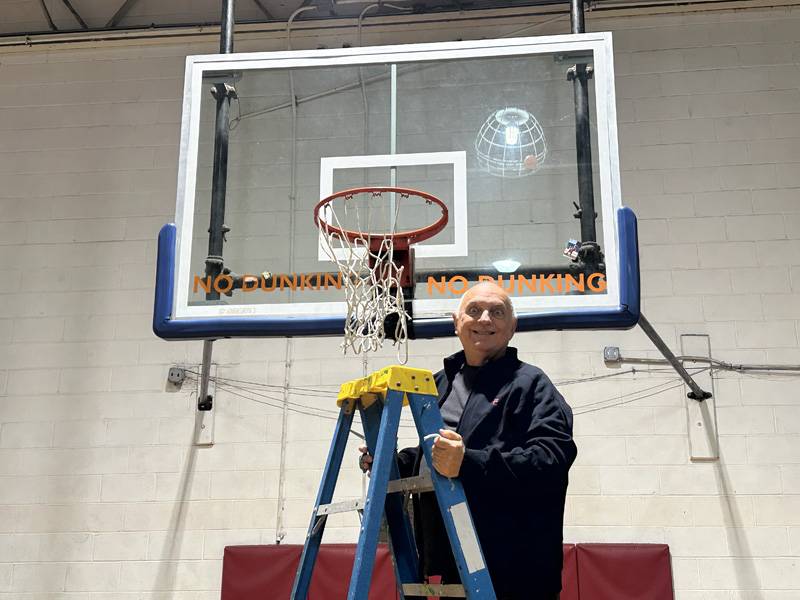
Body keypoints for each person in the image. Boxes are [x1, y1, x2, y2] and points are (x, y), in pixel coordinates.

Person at [359, 281, 577, 600]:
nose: (485, 319)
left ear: (512, 326)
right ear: (456, 321)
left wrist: (469, 462)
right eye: (474, 310)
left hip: (516, 574)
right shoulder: (442, 382)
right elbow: (433, 452)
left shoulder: (532, 385)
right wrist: (389, 461)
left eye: (497, 312)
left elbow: (551, 461)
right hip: (452, 568)